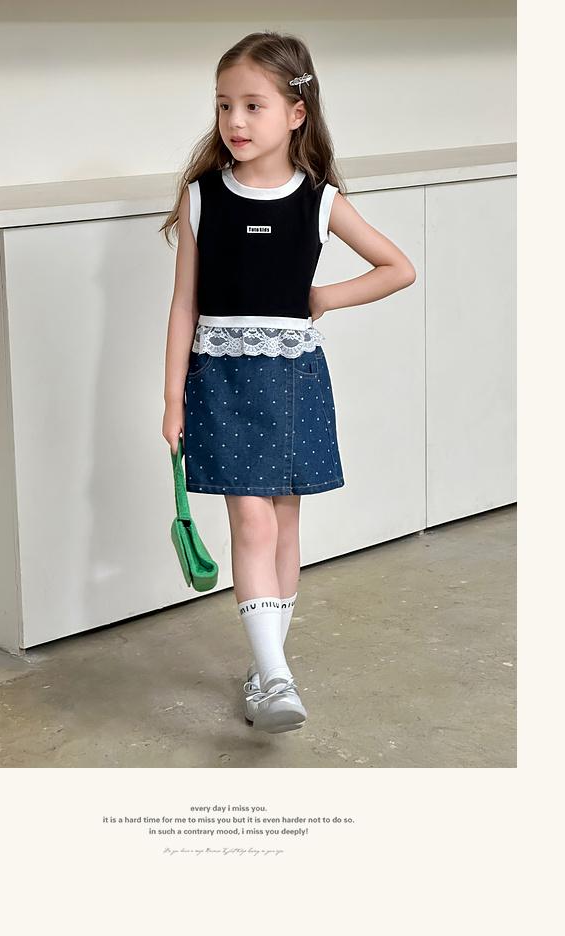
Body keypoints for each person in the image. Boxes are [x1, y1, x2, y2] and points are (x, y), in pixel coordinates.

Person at [160, 31, 416, 735]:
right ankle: (275, 677)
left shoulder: (320, 201)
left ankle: (267, 666)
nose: (234, 121)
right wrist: (173, 397)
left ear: (296, 113)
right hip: (220, 379)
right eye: (224, 105)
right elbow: (183, 305)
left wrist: (325, 296)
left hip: (295, 379)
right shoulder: (201, 199)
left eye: (253, 105)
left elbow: (398, 268)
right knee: (250, 519)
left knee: (283, 525)